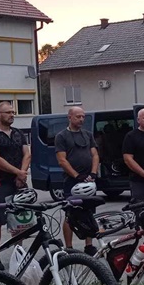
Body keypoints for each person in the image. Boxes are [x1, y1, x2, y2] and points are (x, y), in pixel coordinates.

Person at [0, 101, 30, 253]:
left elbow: (27, 154)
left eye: (13, 112)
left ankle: (19, 253)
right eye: (8, 112)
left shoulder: (18, 133)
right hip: (0, 183)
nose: (12, 115)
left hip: (19, 182)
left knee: (20, 220)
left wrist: (22, 174)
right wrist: (18, 172)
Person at [55, 106, 99, 255]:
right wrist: (76, 175)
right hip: (71, 181)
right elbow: (62, 160)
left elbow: (95, 155)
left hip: (89, 180)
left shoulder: (88, 135)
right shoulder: (61, 136)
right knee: (70, 214)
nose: (81, 119)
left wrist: (93, 173)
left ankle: (89, 245)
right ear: (70, 117)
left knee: (89, 212)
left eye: (83, 117)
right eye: (78, 117)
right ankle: (69, 247)